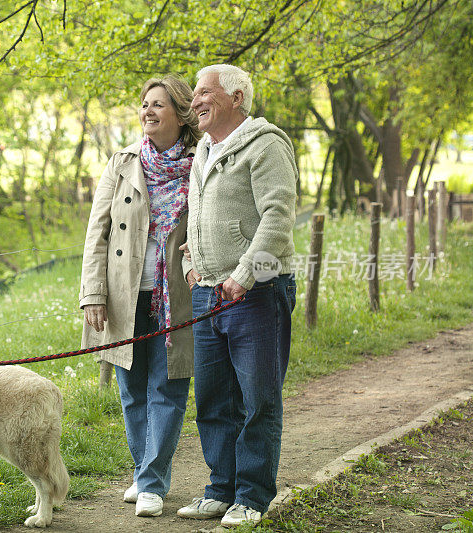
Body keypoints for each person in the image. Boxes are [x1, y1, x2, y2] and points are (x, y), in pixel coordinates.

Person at [176, 64, 298, 528]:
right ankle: (219, 489)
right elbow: (195, 219)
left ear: (237, 98)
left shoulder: (267, 145)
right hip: (208, 292)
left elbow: (278, 217)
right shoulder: (204, 150)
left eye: (205, 93)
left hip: (258, 291)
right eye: (194, 96)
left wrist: (246, 274)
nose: (195, 102)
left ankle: (251, 496)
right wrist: (191, 267)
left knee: (257, 400)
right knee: (213, 400)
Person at [79, 75, 201, 518]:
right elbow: (98, 232)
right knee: (131, 391)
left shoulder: (201, 161)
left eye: (157, 105)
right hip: (123, 293)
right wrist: (93, 293)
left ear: (180, 113)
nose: (147, 111)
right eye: (144, 104)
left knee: (167, 388)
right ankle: (144, 472)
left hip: (178, 297)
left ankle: (151, 481)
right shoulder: (123, 162)